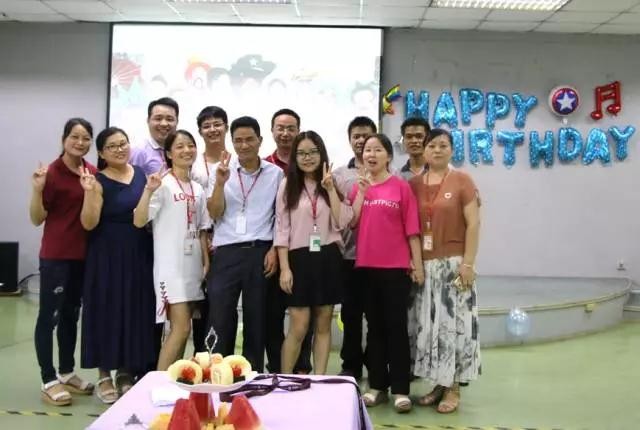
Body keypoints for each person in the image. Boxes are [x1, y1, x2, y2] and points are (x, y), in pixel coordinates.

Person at [79, 127, 156, 403]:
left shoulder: (141, 175)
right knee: (106, 309)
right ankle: (103, 374)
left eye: (123, 143)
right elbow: (88, 223)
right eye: (112, 146)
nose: (120, 149)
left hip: (139, 251)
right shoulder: (97, 181)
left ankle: (125, 371)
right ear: (101, 153)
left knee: (134, 310)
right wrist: (89, 193)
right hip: (107, 255)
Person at [349, 133, 423, 413]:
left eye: (378, 150)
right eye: (368, 150)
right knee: (374, 329)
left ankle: (401, 390)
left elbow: (412, 229)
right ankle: (377, 386)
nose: (371, 154)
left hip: (395, 269)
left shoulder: (401, 187)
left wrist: (417, 264)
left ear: (389, 156)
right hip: (366, 268)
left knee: (396, 328)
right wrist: (362, 193)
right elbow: (352, 222)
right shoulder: (359, 187)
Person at [409, 129, 481, 414]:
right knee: (431, 328)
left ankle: (453, 388)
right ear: (424, 150)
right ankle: (439, 383)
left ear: (451, 149)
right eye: (432, 145)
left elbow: (474, 224)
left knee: (455, 326)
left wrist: (468, 263)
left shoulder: (462, 180)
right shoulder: (414, 184)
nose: (437, 150)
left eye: (443, 145)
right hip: (425, 268)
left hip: (454, 264)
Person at [206, 116, 283, 372]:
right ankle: (218, 372)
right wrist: (220, 183)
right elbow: (214, 213)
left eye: (250, 139)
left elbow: (281, 217)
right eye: (238, 140)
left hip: (260, 252)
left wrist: (274, 249)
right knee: (219, 316)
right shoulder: (220, 171)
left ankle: (251, 375)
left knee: (256, 318)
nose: (244, 145)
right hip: (226, 253)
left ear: (260, 140)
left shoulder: (275, 174)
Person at [29, 118, 97, 406]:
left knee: (71, 315)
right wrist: (37, 189)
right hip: (56, 256)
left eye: (86, 138)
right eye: (74, 137)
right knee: (50, 317)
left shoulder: (91, 172)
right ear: (64, 139)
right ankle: (48, 378)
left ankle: (67, 372)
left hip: (83, 257)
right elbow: (37, 218)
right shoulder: (51, 173)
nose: (80, 142)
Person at [275, 131, 352, 375]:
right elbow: (282, 228)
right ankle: (285, 378)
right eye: (301, 153)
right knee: (298, 326)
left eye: (312, 152)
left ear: (321, 154)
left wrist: (330, 190)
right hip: (298, 259)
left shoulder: (332, 182)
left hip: (328, 258)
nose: (307, 158)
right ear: (295, 157)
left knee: (323, 324)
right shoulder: (288, 185)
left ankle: (319, 380)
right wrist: (284, 268)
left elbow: (341, 222)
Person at [133, 130, 210, 371]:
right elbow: (139, 220)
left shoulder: (197, 188)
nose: (187, 150)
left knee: (184, 330)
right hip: (170, 268)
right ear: (168, 153)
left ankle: (174, 380)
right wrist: (148, 190)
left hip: (193, 267)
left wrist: (206, 261)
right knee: (180, 328)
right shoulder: (162, 184)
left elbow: (202, 229)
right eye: (180, 146)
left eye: (190, 145)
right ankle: (156, 383)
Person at [264, 108, 313, 375]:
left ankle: (302, 366)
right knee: (273, 314)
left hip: (304, 252)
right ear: (272, 131)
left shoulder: (310, 166)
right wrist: (273, 248)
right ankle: (277, 367)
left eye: (290, 128)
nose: (285, 133)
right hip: (273, 252)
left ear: (298, 131)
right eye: (280, 128)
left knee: (304, 316)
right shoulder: (264, 166)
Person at [333, 116, 377, 380]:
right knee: (350, 314)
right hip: (348, 256)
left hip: (378, 258)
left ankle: (375, 362)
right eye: (356, 136)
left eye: (366, 136)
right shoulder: (339, 175)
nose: (361, 140)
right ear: (350, 140)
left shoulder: (389, 173)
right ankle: (351, 364)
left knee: (375, 314)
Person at [190, 106, 229, 354]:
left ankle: (223, 356)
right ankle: (200, 355)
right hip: (198, 239)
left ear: (226, 127)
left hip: (227, 241)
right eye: (207, 126)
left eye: (217, 124)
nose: (213, 129)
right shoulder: (193, 164)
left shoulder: (236, 160)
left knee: (223, 304)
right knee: (199, 303)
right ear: (200, 131)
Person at [129, 97, 179, 175]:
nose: (164, 124)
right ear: (148, 120)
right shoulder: (139, 151)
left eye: (169, 119)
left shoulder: (180, 149)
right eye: (158, 119)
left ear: (177, 122)